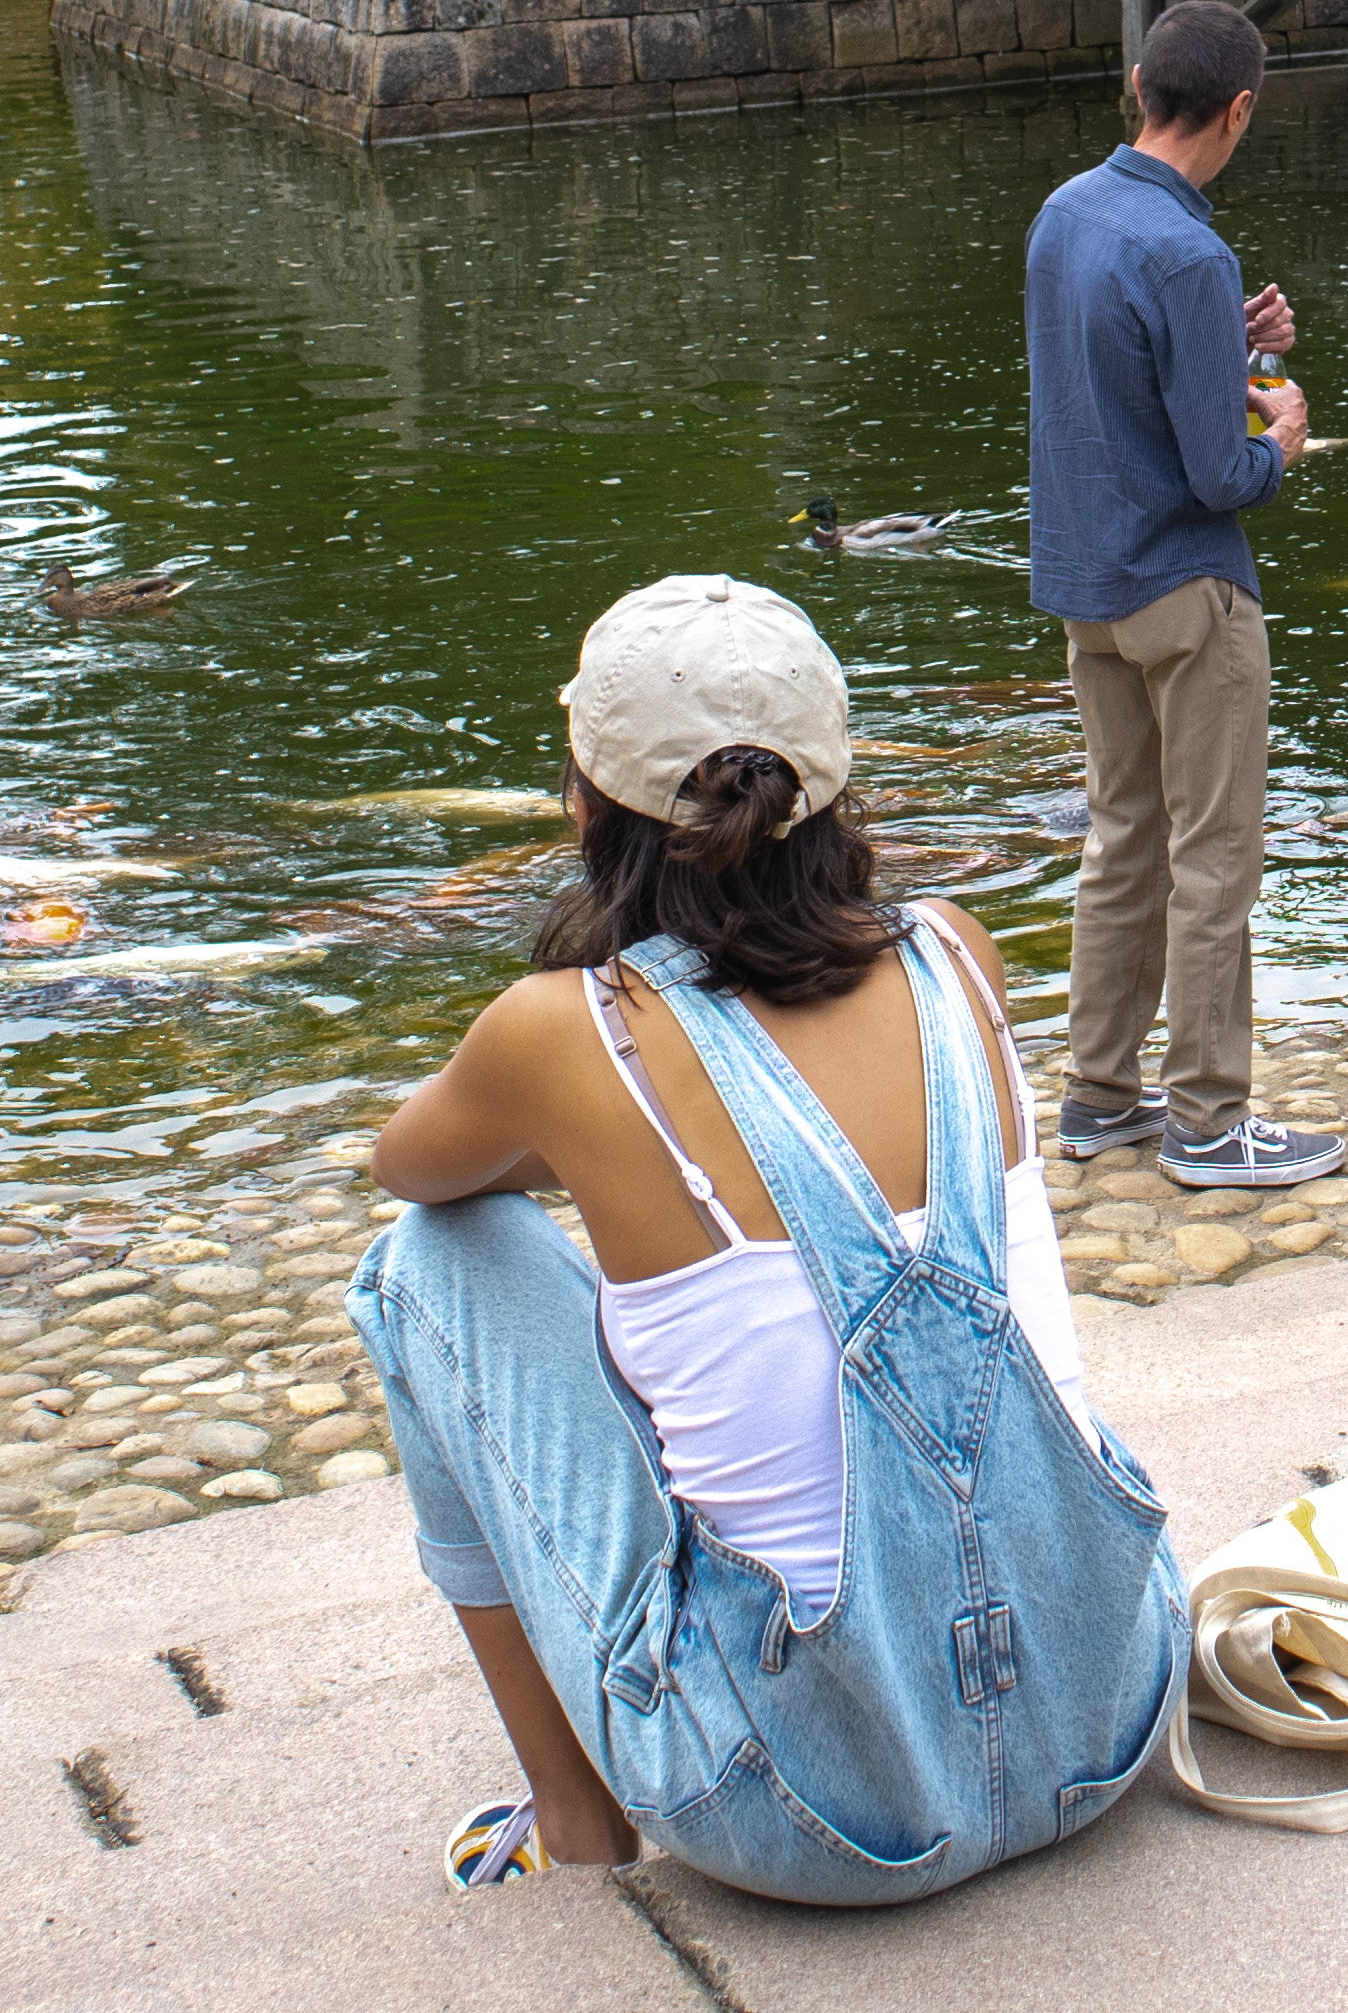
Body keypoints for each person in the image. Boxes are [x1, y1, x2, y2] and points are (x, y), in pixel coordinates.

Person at [354, 574, 1186, 1899]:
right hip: (1110, 1712)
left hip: (815, 1818)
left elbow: (413, 1170)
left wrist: (579, 1140)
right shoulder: (959, 955)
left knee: (419, 1269)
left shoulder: (564, 1034)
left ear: (586, 803)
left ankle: (576, 1823)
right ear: (833, 787)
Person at [1020, 0, 1348, 1190]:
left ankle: (1100, 1095)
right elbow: (1222, 469)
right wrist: (1289, 433)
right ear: (1240, 108)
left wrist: (1237, 347)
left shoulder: (1065, 215)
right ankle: (1210, 1120)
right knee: (1216, 856)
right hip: (1188, 593)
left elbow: (1110, 388)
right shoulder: (1187, 250)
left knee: (1123, 842)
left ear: (1137, 83)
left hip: (1088, 587)